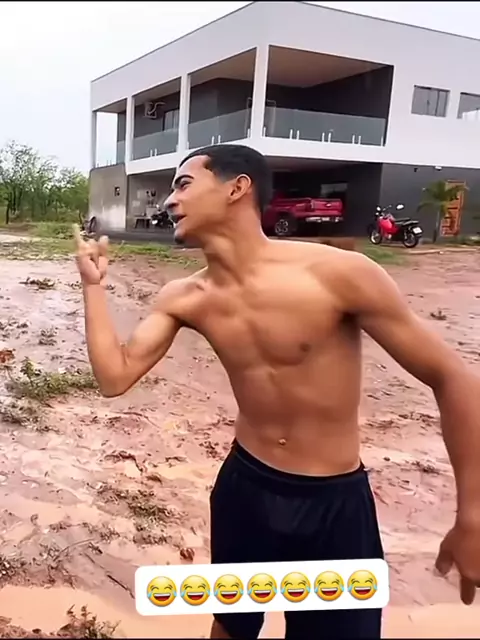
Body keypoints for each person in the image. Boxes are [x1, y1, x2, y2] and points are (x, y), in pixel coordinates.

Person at [74, 144, 480, 640]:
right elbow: (114, 377)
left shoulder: (337, 274)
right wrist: (93, 287)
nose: (169, 201)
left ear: (237, 188)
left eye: (184, 184)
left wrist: (472, 515)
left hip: (334, 505)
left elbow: (454, 378)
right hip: (246, 491)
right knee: (232, 626)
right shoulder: (185, 297)